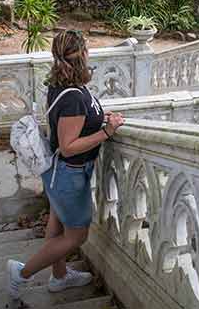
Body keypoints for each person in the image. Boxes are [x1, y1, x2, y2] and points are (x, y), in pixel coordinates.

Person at [7, 30, 125, 298]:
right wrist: (107, 131)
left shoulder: (64, 85)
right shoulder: (72, 96)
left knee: (57, 225)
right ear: (82, 53)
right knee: (76, 236)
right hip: (68, 175)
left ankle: (59, 276)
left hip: (59, 174)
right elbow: (69, 147)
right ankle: (22, 273)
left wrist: (97, 117)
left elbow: (75, 121)